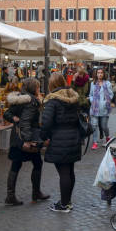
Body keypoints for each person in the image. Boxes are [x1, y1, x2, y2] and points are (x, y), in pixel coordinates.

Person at [2, 78, 49, 206]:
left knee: (17, 165)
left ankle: (12, 196)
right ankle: (34, 193)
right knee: (37, 163)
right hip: (26, 138)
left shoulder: (19, 98)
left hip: (17, 137)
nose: (39, 90)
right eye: (38, 87)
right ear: (33, 88)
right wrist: (28, 140)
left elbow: (7, 114)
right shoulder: (31, 101)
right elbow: (26, 122)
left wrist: (15, 119)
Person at [41, 73, 81, 213]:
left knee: (64, 172)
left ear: (51, 85)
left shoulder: (52, 101)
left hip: (59, 138)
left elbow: (46, 123)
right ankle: (67, 201)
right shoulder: (73, 98)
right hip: (74, 137)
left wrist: (43, 137)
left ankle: (64, 204)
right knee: (69, 171)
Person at [89, 68, 113, 149]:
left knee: (104, 126)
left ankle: (107, 137)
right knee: (94, 125)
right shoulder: (93, 83)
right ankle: (95, 142)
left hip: (104, 108)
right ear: (96, 74)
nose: (100, 74)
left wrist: (106, 102)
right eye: (98, 73)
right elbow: (90, 95)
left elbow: (110, 94)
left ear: (104, 74)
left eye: (101, 73)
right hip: (94, 107)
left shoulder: (107, 83)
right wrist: (92, 100)